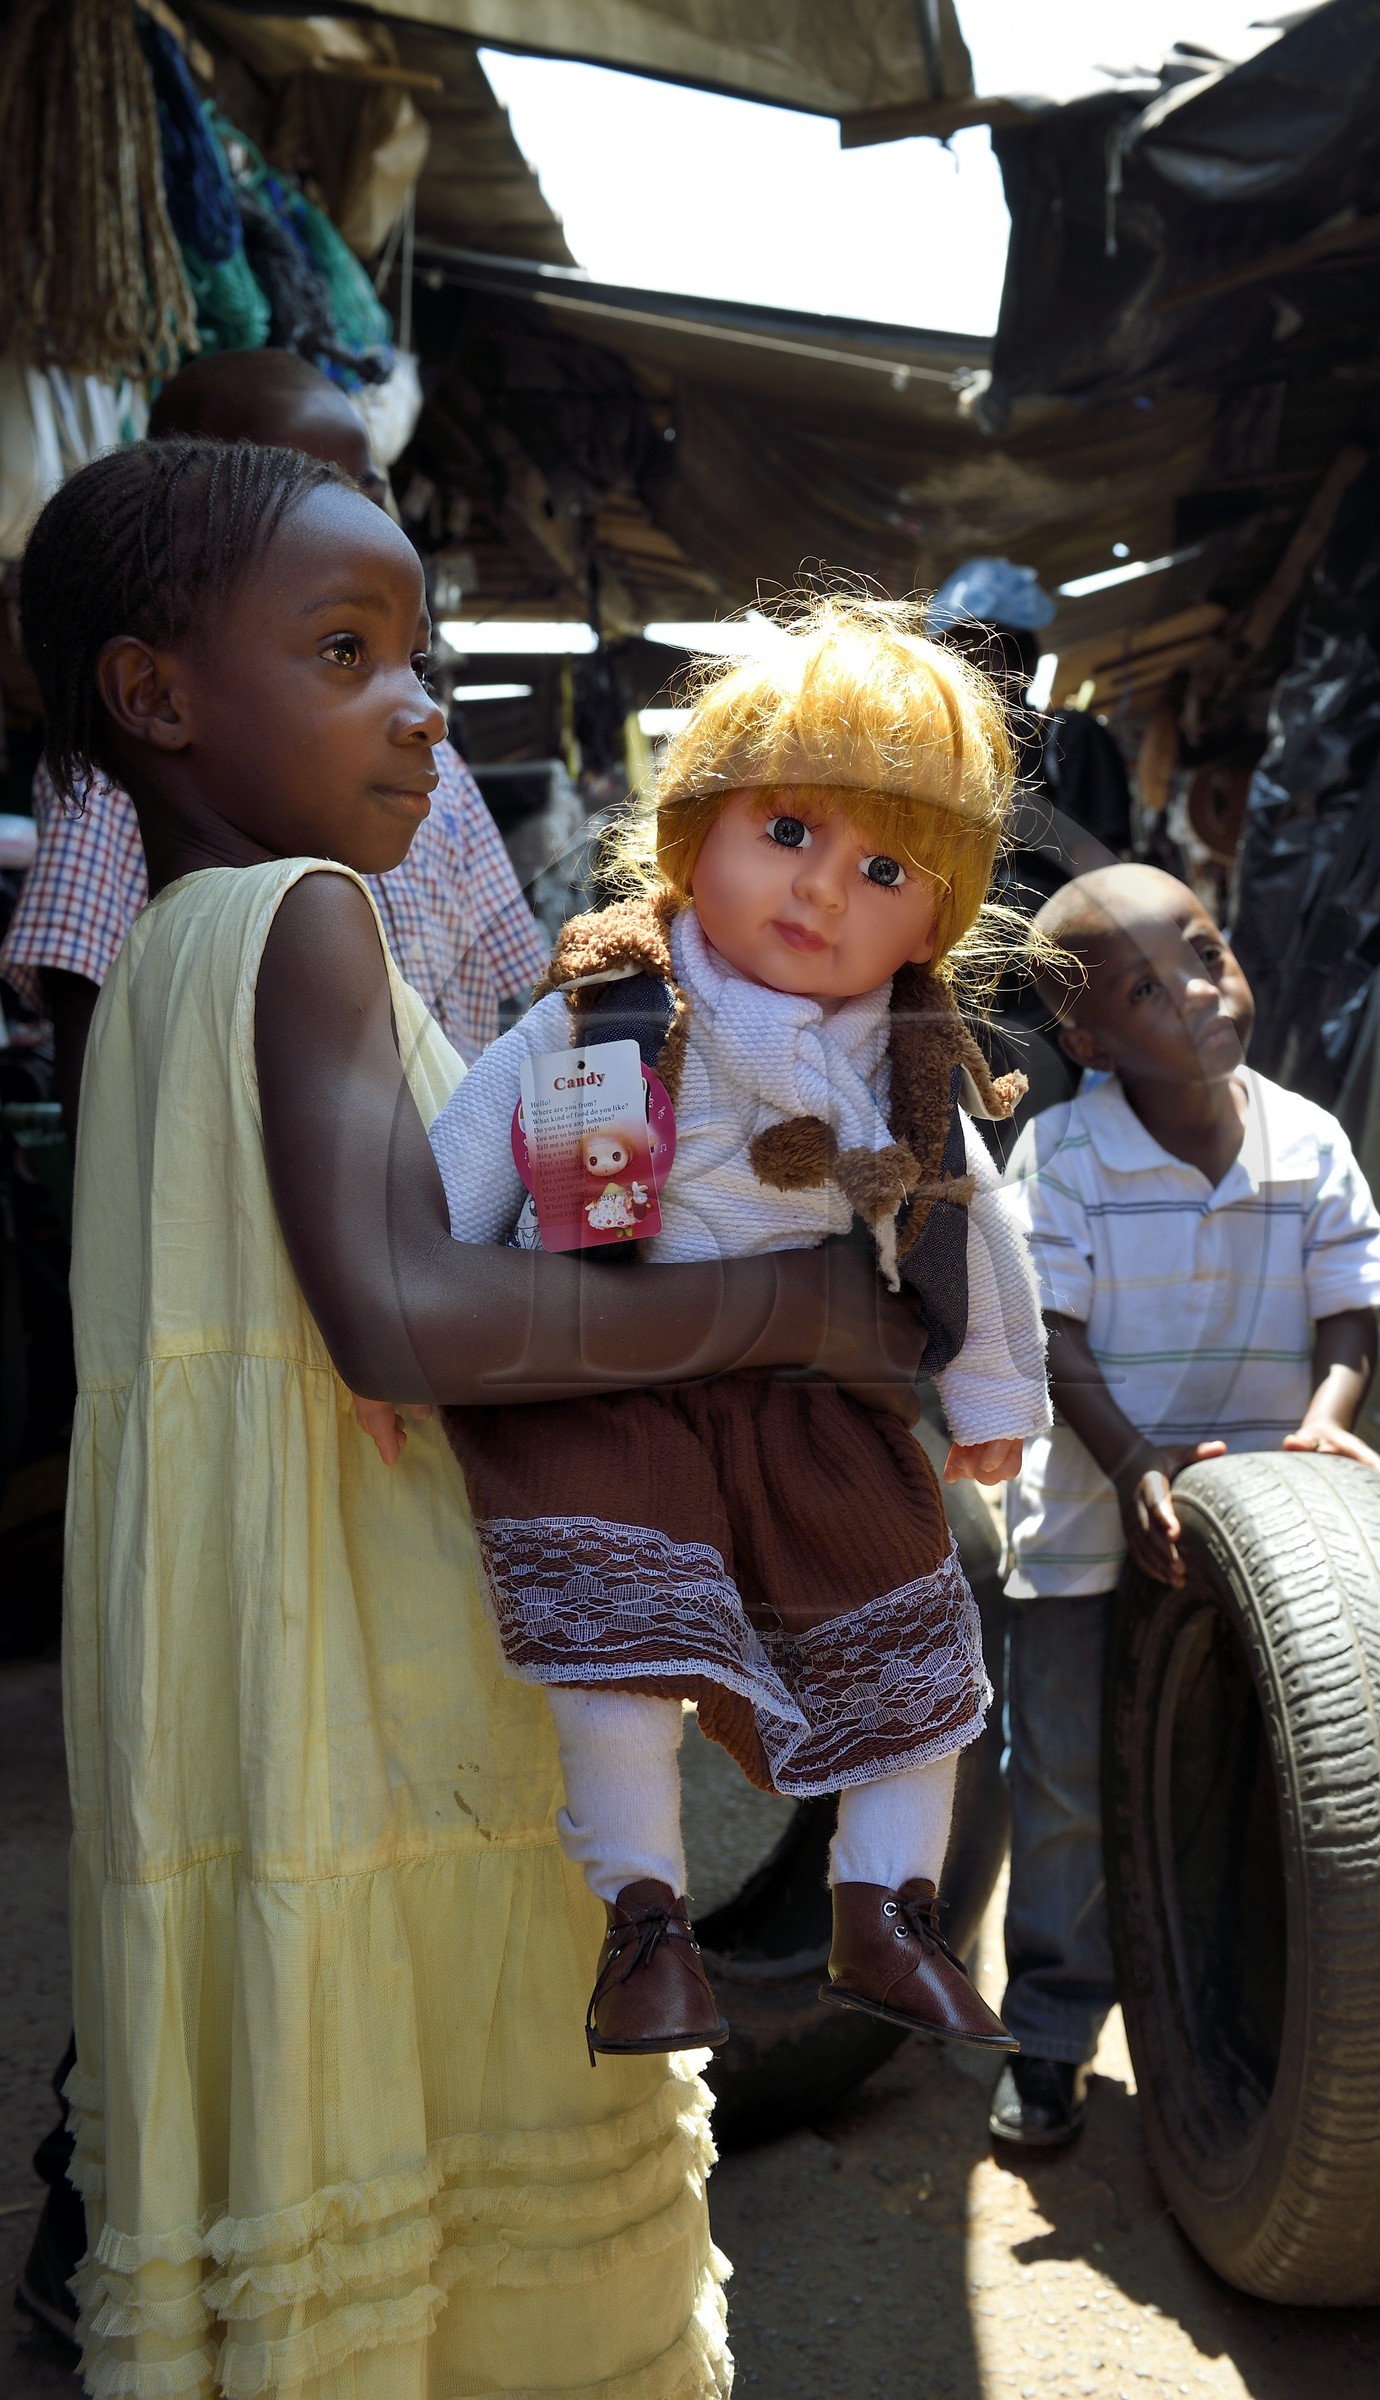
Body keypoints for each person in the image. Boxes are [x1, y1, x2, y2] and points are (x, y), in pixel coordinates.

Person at [17, 437, 923, 2395]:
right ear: (155, 696)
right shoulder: (306, 917)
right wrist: (783, 1302)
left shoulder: (169, 958)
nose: (422, 704)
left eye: (416, 651)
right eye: (348, 651)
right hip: (394, 1654)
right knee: (474, 2097)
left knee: (308, 2112)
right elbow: (404, 1319)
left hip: (255, 1666)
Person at [418, 596, 1052, 2059]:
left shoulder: (904, 1066)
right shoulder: (602, 1011)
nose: (823, 891)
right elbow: (465, 1158)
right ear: (695, 825)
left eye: (882, 866)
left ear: (938, 915)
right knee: (617, 1656)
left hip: (799, 1406)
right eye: (787, 831)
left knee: (915, 1645)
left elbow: (974, 1231)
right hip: (601, 1382)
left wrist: (994, 1389)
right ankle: (646, 1922)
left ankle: (885, 1913)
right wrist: (415, 1331)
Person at [991, 863, 1380, 2149]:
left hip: (1272, 1536)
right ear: (1087, 1040)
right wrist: (1131, 1468)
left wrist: (1329, 1419)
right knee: (1061, 1786)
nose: (1194, 991)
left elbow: (1350, 1312)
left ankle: (1243, 2018)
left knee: (1242, 1769)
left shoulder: (1308, 1136)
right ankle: (1053, 2036)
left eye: (1205, 950)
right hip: (1084, 1527)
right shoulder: (1060, 1154)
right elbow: (1049, 1340)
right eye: (1141, 987)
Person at [0, 350, 544, 1133]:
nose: (354, 511)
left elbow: (511, 988)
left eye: (367, 484)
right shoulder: (139, 791)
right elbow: (94, 1037)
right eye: (346, 651)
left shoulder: (436, 766)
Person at [927, 556, 1137, 1145]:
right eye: (956, 649)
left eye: (988, 649)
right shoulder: (936, 759)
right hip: (953, 993)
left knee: (1037, 1144)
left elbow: (1111, 874)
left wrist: (1009, 815)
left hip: (1048, 997)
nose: (971, 665)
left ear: (1024, 660)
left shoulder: (1068, 740)